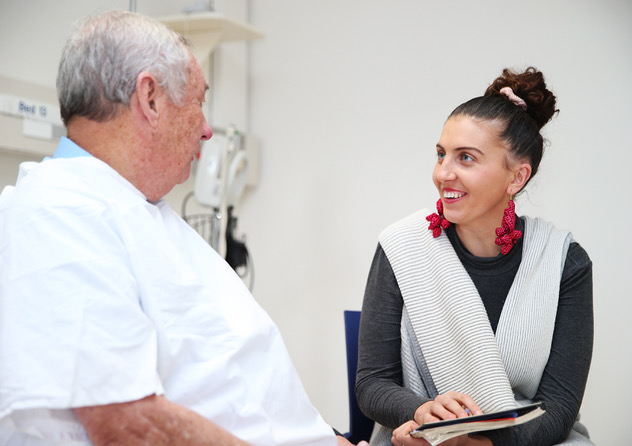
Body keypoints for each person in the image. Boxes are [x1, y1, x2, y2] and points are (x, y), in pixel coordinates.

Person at [0, 10, 367, 446]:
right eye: (198, 102)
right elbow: (127, 422)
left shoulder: (134, 208)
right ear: (150, 98)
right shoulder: (59, 214)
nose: (208, 130)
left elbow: (229, 385)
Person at [355, 67, 593, 446]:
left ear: (516, 177)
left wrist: (479, 445)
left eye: (465, 158)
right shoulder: (402, 247)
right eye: (441, 154)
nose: (443, 173)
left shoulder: (564, 262)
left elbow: (560, 406)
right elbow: (372, 383)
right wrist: (421, 412)